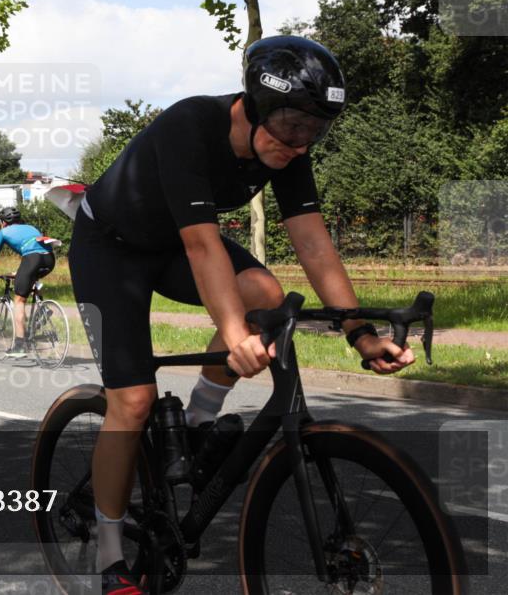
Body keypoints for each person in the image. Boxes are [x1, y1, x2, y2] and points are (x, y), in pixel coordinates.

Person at [66, 35, 416, 593]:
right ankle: (109, 556)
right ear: (254, 105)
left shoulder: (287, 148)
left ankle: (202, 422)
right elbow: (205, 248)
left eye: (314, 131)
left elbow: (315, 244)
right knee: (131, 402)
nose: (300, 143)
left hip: (173, 246)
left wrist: (360, 333)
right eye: (291, 127)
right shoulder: (191, 126)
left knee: (264, 290)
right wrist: (233, 335)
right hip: (110, 247)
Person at [0, 206, 57, 357]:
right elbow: (34, 248)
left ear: (3, 222)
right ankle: (43, 309)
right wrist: (20, 272)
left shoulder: (3, 232)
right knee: (31, 278)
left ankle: (20, 346)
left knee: (19, 301)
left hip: (32, 260)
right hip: (50, 258)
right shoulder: (32, 227)